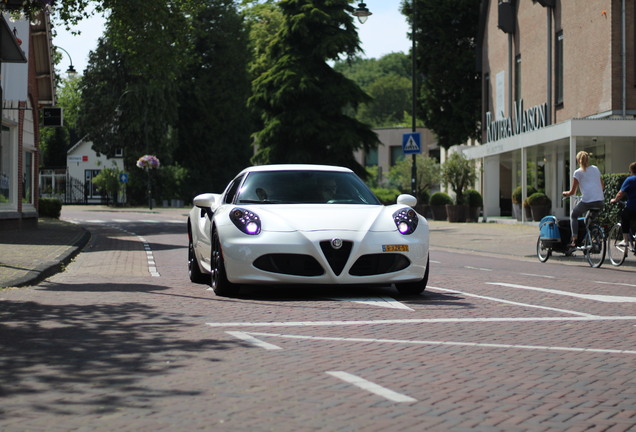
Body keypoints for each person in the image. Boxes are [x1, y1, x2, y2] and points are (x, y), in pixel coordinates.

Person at [562, 151, 604, 247]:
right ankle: (594, 239)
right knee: (587, 221)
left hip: (587, 201)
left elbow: (573, 192)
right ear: (588, 160)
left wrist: (565, 193)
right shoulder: (595, 168)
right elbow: (602, 186)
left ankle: (574, 240)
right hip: (600, 201)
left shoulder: (578, 172)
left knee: (573, 215)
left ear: (578, 161)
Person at [610, 161, 636, 247]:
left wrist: (615, 200)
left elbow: (620, 194)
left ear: (631, 171)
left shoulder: (630, 179)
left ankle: (625, 240)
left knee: (624, 217)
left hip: (633, 207)